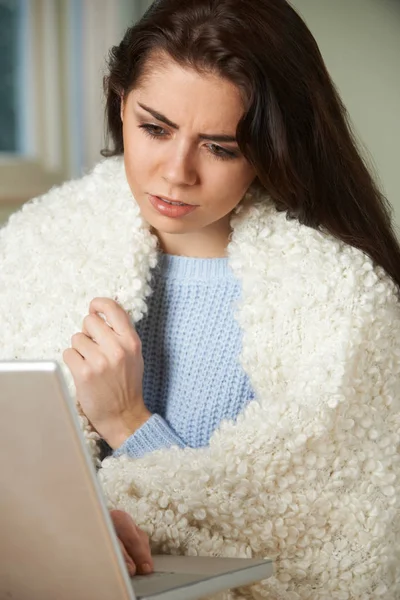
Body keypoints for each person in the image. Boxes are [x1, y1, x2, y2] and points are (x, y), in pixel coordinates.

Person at [1, 0, 400, 597]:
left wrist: (128, 422)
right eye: (155, 128)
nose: (176, 172)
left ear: (272, 147)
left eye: (220, 147)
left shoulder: (340, 311)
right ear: (119, 102)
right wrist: (76, 532)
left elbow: (323, 550)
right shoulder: (34, 251)